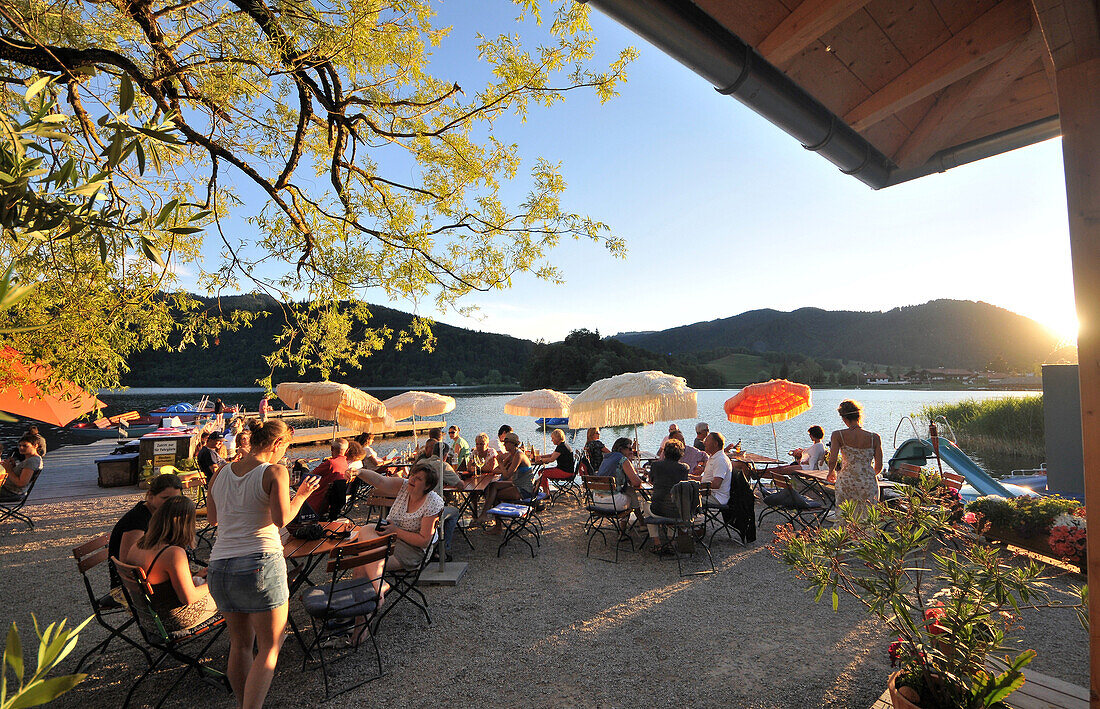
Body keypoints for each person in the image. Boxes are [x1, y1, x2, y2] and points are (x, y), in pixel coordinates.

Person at [206, 419, 320, 709]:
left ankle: (244, 704)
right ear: (277, 444)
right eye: (286, 447)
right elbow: (282, 519)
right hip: (258, 562)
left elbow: (213, 518)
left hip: (220, 565)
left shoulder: (220, 472)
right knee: (270, 645)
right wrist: (303, 495)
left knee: (240, 644)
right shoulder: (274, 471)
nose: (285, 454)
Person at [122, 496, 218, 632]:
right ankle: (245, 645)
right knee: (232, 593)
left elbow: (162, 582)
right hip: (172, 620)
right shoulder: (173, 553)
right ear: (186, 524)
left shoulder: (138, 544)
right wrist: (214, 583)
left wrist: (196, 576)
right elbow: (188, 597)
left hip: (149, 618)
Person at [355, 461, 444, 570]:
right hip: (391, 538)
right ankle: (377, 583)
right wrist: (359, 472)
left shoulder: (432, 503)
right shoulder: (404, 486)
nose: (412, 479)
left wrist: (395, 530)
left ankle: (378, 584)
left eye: (419, 479)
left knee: (364, 562)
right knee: (365, 530)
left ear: (427, 486)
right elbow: (380, 481)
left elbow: (424, 541)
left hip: (413, 550)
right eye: (412, 475)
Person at [108, 473, 185, 589]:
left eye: (175, 499)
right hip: (129, 587)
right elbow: (127, 563)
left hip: (144, 579)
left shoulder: (157, 513)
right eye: (165, 498)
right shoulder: (138, 519)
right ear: (150, 496)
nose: (171, 504)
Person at [826, 399, 883, 514]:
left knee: (845, 516)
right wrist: (867, 475)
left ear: (844, 418)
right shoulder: (874, 438)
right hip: (868, 482)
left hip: (847, 480)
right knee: (867, 517)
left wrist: (831, 471)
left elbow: (832, 459)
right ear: (859, 416)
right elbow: (879, 466)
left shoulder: (838, 435)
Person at [478, 432, 533, 532]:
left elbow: (507, 474)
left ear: (513, 444)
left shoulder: (518, 455)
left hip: (524, 489)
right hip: (517, 484)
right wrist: (503, 466)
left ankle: (497, 526)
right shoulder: (512, 454)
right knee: (493, 486)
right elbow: (496, 470)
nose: (504, 445)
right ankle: (484, 514)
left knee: (495, 495)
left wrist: (501, 463)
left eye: (506, 443)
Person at [646, 439, 690, 552]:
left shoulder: (656, 465)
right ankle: (672, 541)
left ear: (664, 453)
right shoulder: (684, 468)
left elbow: (651, 481)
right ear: (680, 454)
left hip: (658, 509)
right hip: (677, 511)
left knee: (645, 504)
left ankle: (657, 543)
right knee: (673, 502)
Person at [595, 437, 646, 522]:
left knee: (628, 491)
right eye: (630, 449)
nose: (631, 451)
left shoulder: (607, 458)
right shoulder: (622, 459)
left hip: (597, 501)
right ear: (621, 449)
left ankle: (628, 527)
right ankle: (641, 522)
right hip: (612, 503)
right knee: (632, 494)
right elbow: (636, 483)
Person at [304, 438, 349, 521]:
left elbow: (309, 475)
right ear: (347, 450)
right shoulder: (346, 463)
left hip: (316, 502)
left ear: (331, 448)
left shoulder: (330, 463)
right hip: (332, 503)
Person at [0, 437, 43, 501]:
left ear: (35, 446)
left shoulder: (32, 461)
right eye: (19, 446)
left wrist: (9, 470)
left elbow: (21, 483)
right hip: (10, 491)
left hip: (10, 492)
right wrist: (13, 467)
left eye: (25, 446)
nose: (21, 448)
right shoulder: (32, 459)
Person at [696, 431, 732, 507]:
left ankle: (686, 517)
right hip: (709, 493)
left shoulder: (720, 460)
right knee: (684, 492)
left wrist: (697, 486)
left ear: (715, 444)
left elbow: (716, 484)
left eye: (707, 441)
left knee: (685, 497)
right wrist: (691, 478)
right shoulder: (713, 457)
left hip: (716, 497)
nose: (704, 443)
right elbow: (707, 478)